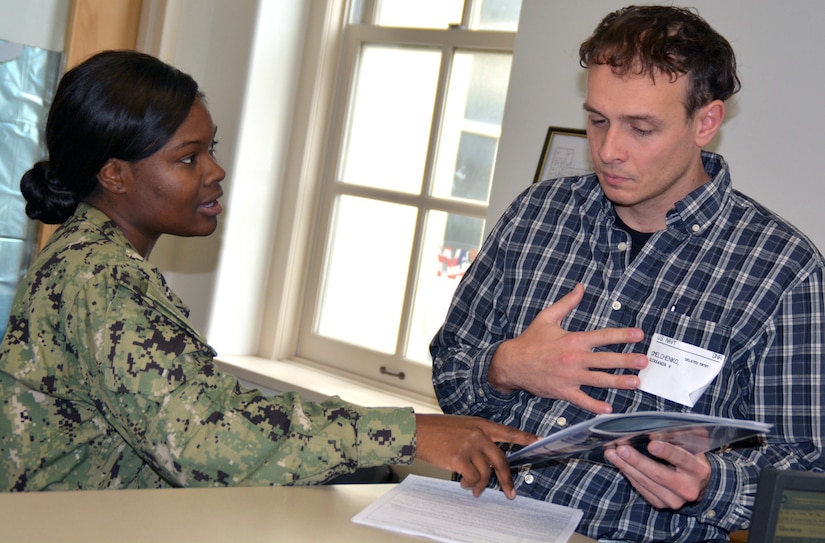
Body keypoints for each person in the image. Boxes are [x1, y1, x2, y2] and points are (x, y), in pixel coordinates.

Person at [0, 50, 535, 496]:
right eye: (188, 159)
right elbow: (204, 442)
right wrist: (408, 433)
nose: (216, 171)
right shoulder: (102, 279)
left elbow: (207, 402)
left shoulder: (85, 254)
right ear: (114, 175)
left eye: (211, 149)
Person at [431, 5, 825, 542]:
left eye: (641, 128)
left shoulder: (784, 272)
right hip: (479, 525)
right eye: (597, 120)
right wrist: (507, 366)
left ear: (705, 122)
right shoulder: (536, 214)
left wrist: (713, 485)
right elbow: (450, 375)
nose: (609, 150)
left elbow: (807, 481)